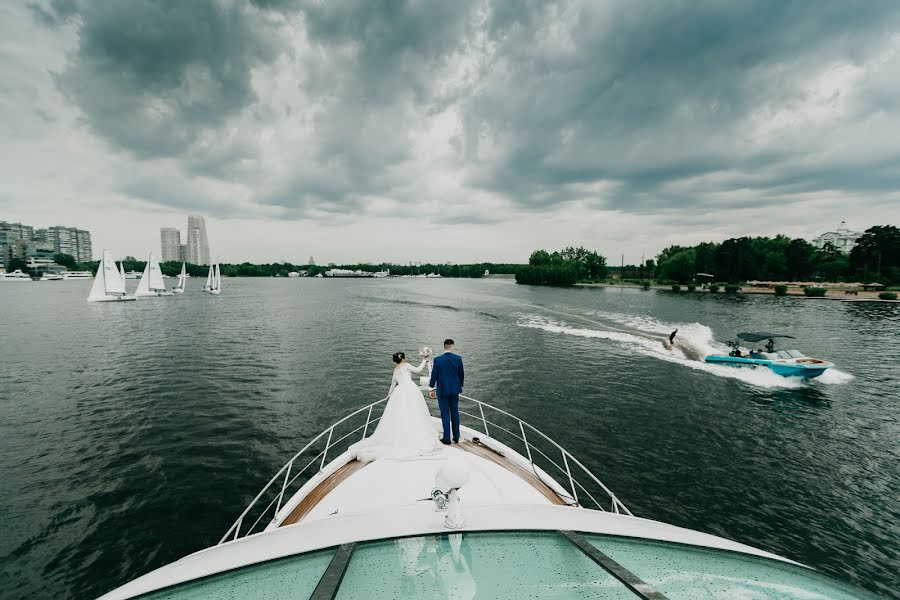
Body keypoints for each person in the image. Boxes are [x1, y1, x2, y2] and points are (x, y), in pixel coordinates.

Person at [349, 351, 441, 462]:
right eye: (405, 357)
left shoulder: (395, 370)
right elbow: (418, 370)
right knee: (415, 411)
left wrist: (388, 395)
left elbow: (392, 384)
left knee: (400, 414)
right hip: (410, 390)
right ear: (402, 359)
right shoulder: (406, 366)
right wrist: (424, 360)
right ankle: (413, 433)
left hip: (399, 391)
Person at [429, 339, 464, 444]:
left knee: (445, 413)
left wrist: (431, 388)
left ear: (444, 347)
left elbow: (434, 375)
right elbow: (461, 374)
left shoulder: (438, 360)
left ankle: (447, 438)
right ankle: (457, 437)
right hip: (454, 390)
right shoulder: (458, 358)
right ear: (452, 347)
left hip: (442, 390)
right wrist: (460, 385)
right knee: (455, 412)